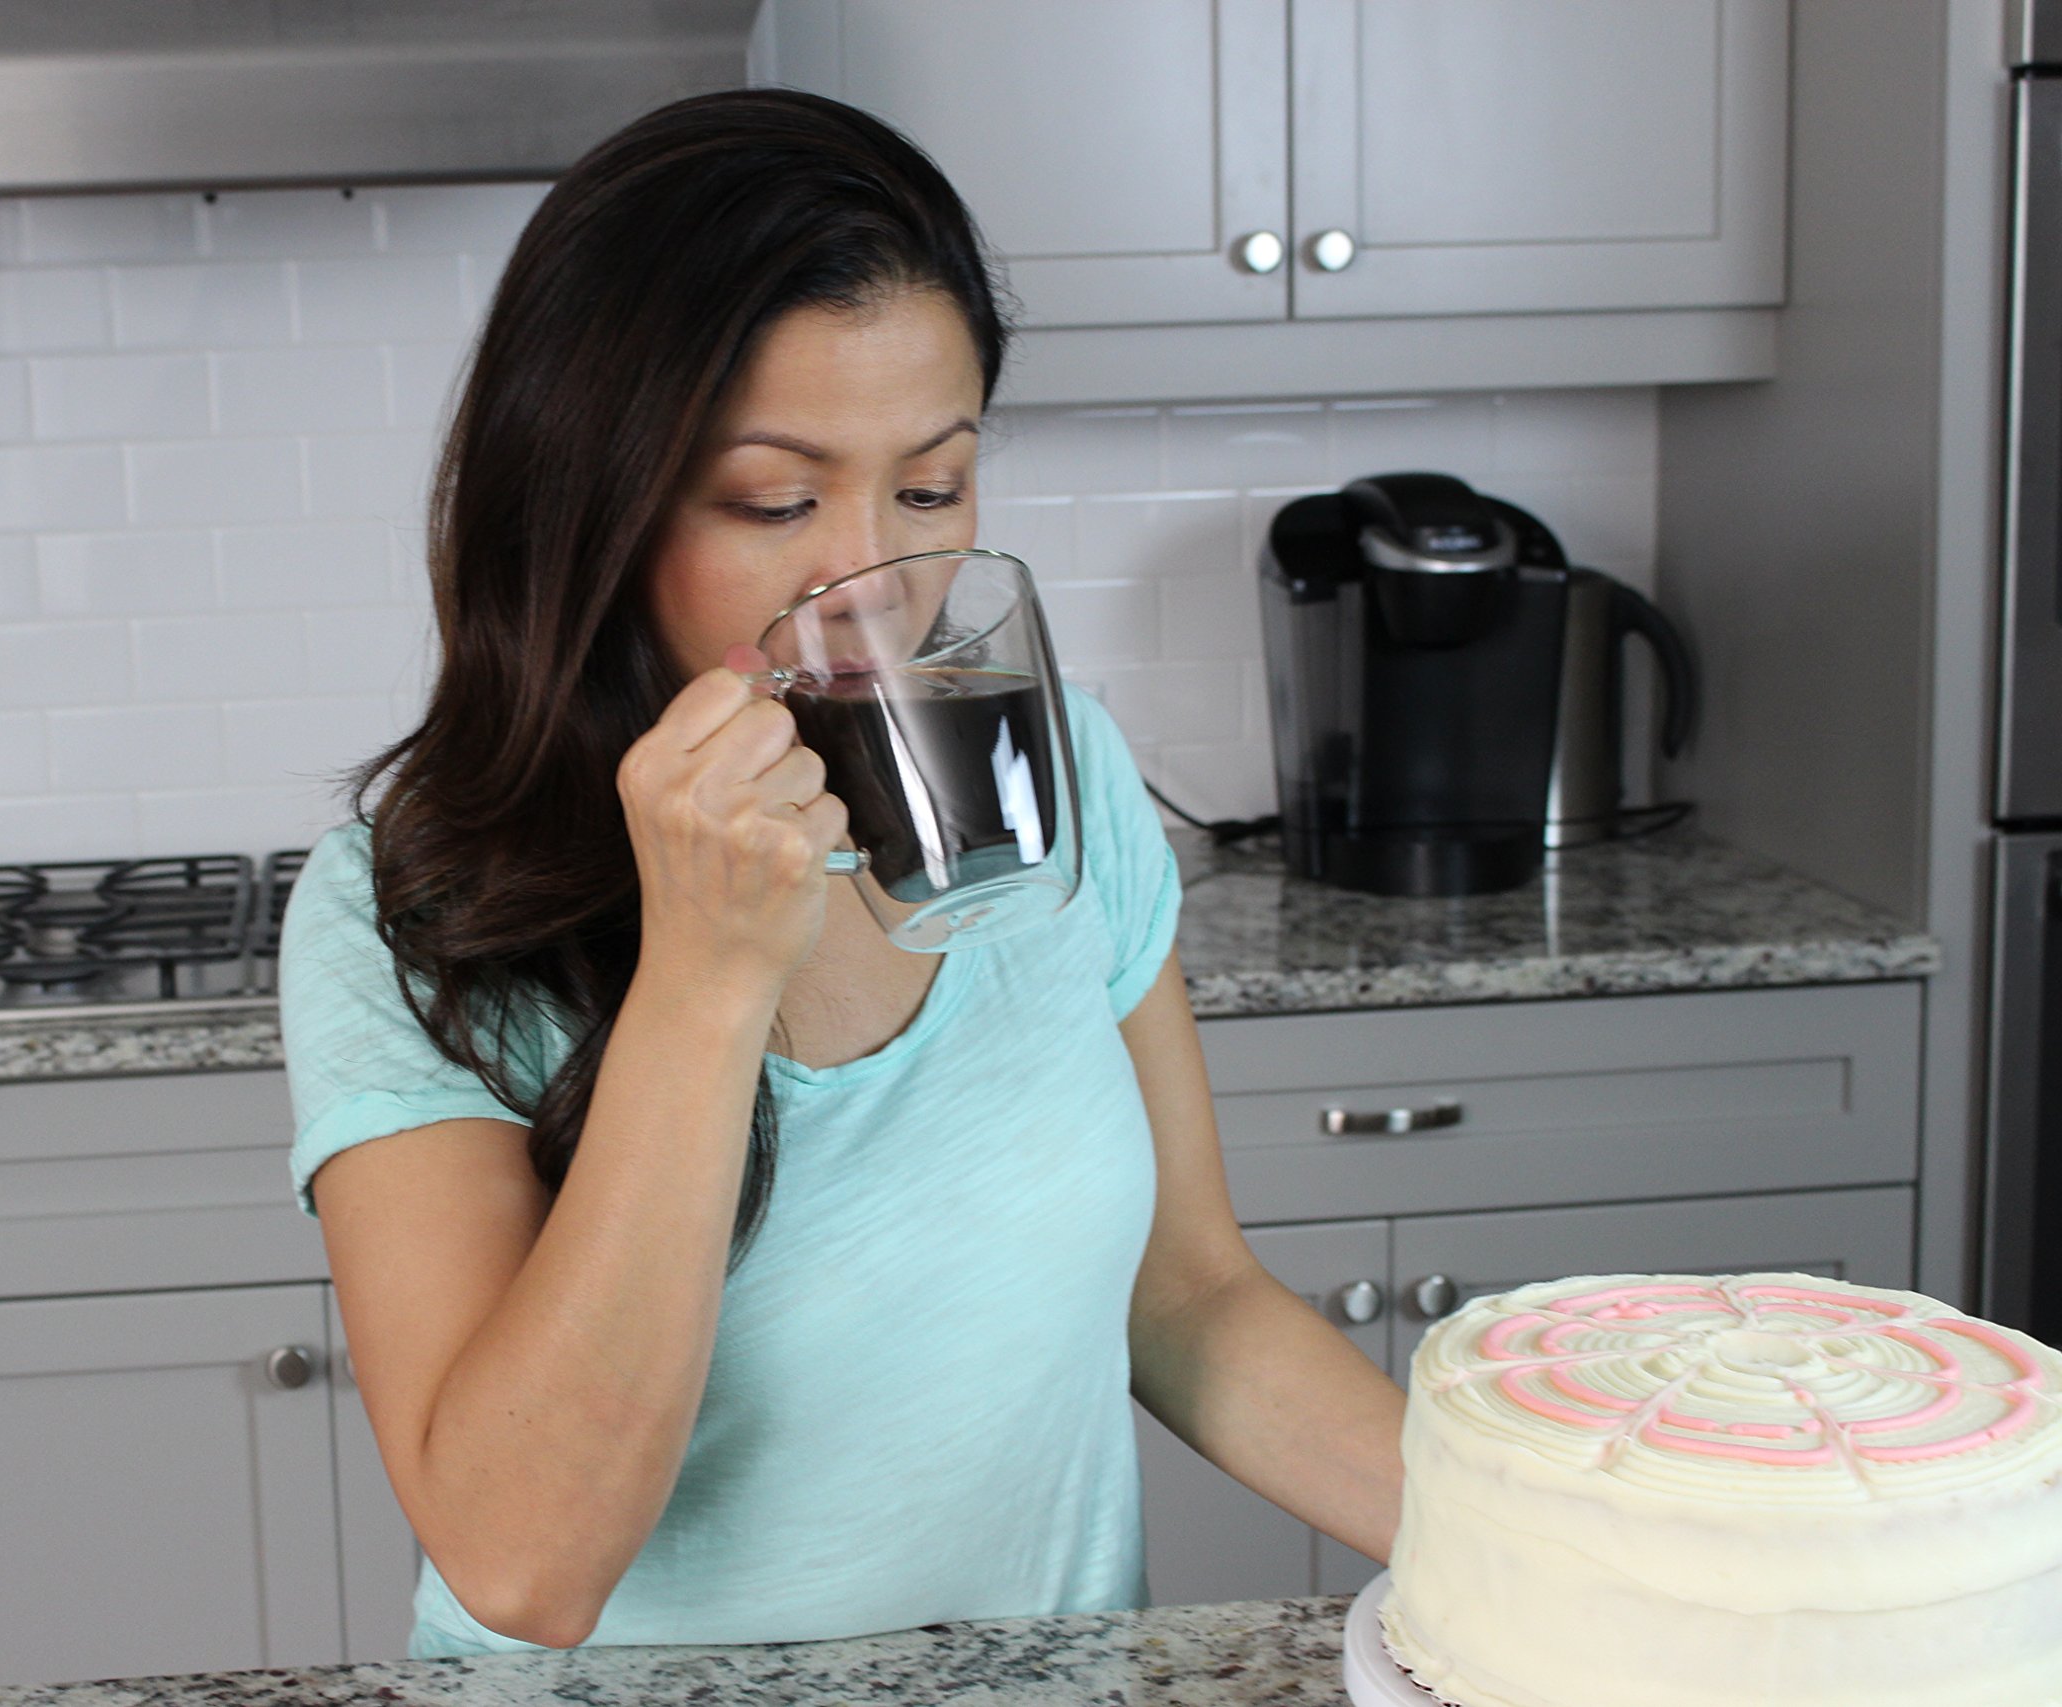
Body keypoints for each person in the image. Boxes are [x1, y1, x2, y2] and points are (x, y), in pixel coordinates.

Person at [279, 87, 1405, 1661]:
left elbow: (1189, 1302)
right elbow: (521, 1562)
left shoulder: (1056, 765)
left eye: (931, 489)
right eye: (776, 501)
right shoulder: (401, 910)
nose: (871, 585)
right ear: (591, 507)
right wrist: (703, 977)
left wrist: (1538, 1547)